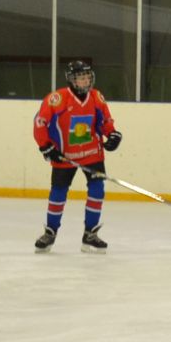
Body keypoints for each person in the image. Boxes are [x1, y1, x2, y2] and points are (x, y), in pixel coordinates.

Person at [31, 58, 120, 253]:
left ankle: (90, 234)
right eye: (81, 78)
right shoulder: (58, 99)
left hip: (92, 153)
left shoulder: (96, 97)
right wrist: (45, 146)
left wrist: (112, 133)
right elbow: (39, 123)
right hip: (65, 156)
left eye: (87, 77)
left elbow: (105, 121)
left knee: (97, 190)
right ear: (71, 80)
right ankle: (50, 232)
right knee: (58, 192)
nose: (85, 81)